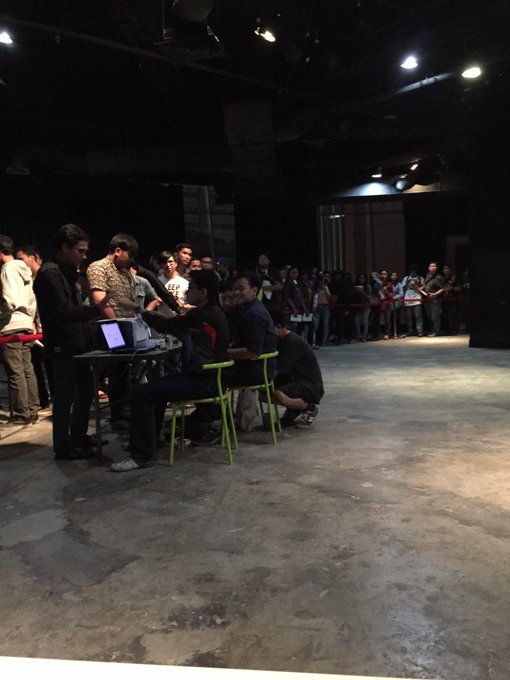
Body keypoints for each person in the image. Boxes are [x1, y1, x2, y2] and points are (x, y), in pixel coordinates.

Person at [111, 269, 230, 472]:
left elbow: (166, 325)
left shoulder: (202, 315)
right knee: (154, 390)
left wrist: (140, 311)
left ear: (203, 292)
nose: (187, 292)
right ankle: (149, 442)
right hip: (212, 378)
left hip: (204, 381)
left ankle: (141, 455)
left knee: (142, 393)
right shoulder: (214, 312)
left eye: (191, 288)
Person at [34, 224, 109, 459]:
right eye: (80, 251)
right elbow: (63, 312)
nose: (84, 256)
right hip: (63, 345)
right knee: (65, 397)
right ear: (65, 247)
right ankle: (63, 446)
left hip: (78, 344)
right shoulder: (50, 273)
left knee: (85, 393)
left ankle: (78, 437)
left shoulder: (67, 272)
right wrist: (95, 310)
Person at [87, 233, 139, 428]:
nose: (130, 260)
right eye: (129, 255)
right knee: (116, 371)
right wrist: (116, 323)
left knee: (126, 371)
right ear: (118, 250)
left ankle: (126, 411)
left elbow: (126, 300)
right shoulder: (98, 267)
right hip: (110, 327)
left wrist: (137, 314)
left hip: (128, 326)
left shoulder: (125, 273)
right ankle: (118, 416)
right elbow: (99, 300)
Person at [0, 235, 39, 425]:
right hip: (25, 323)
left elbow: (9, 300)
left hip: (10, 325)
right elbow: (32, 300)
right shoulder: (25, 271)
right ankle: (32, 410)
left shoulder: (7, 269)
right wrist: (30, 319)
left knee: (16, 372)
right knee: (27, 370)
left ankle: (22, 414)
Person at [270, 311, 324, 428]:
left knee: (277, 394)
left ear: (279, 327)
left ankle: (309, 408)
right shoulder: (281, 340)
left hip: (311, 385)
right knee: (266, 392)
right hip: (297, 380)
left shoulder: (291, 342)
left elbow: (278, 371)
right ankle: (293, 410)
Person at [15, 245, 52, 408]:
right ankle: (42, 401)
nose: (19, 263)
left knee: (51, 366)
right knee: (34, 366)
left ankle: (56, 399)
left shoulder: (45, 277)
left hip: (47, 328)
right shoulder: (22, 280)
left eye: (21, 259)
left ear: (34, 258)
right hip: (33, 328)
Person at [227, 272, 277, 387]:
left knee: (208, 377)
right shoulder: (249, 308)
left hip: (255, 370)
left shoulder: (254, 314)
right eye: (234, 289)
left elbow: (252, 352)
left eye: (241, 289)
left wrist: (223, 353)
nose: (236, 293)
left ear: (254, 291)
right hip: (254, 366)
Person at [423, 261, 444, 337]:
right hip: (427, 298)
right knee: (430, 315)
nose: (432, 267)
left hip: (435, 299)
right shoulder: (427, 275)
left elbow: (442, 288)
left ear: (436, 268)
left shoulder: (439, 277)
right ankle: (432, 330)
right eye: (431, 266)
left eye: (434, 266)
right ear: (428, 268)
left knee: (435, 315)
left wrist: (435, 294)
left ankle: (436, 331)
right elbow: (426, 285)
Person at [401, 266, 424, 337]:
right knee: (409, 317)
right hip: (408, 299)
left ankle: (420, 331)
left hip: (417, 299)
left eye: (414, 271)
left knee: (418, 316)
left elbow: (423, 287)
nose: (413, 272)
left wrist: (417, 285)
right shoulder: (406, 278)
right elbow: (403, 288)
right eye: (411, 271)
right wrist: (408, 283)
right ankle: (410, 331)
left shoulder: (420, 278)